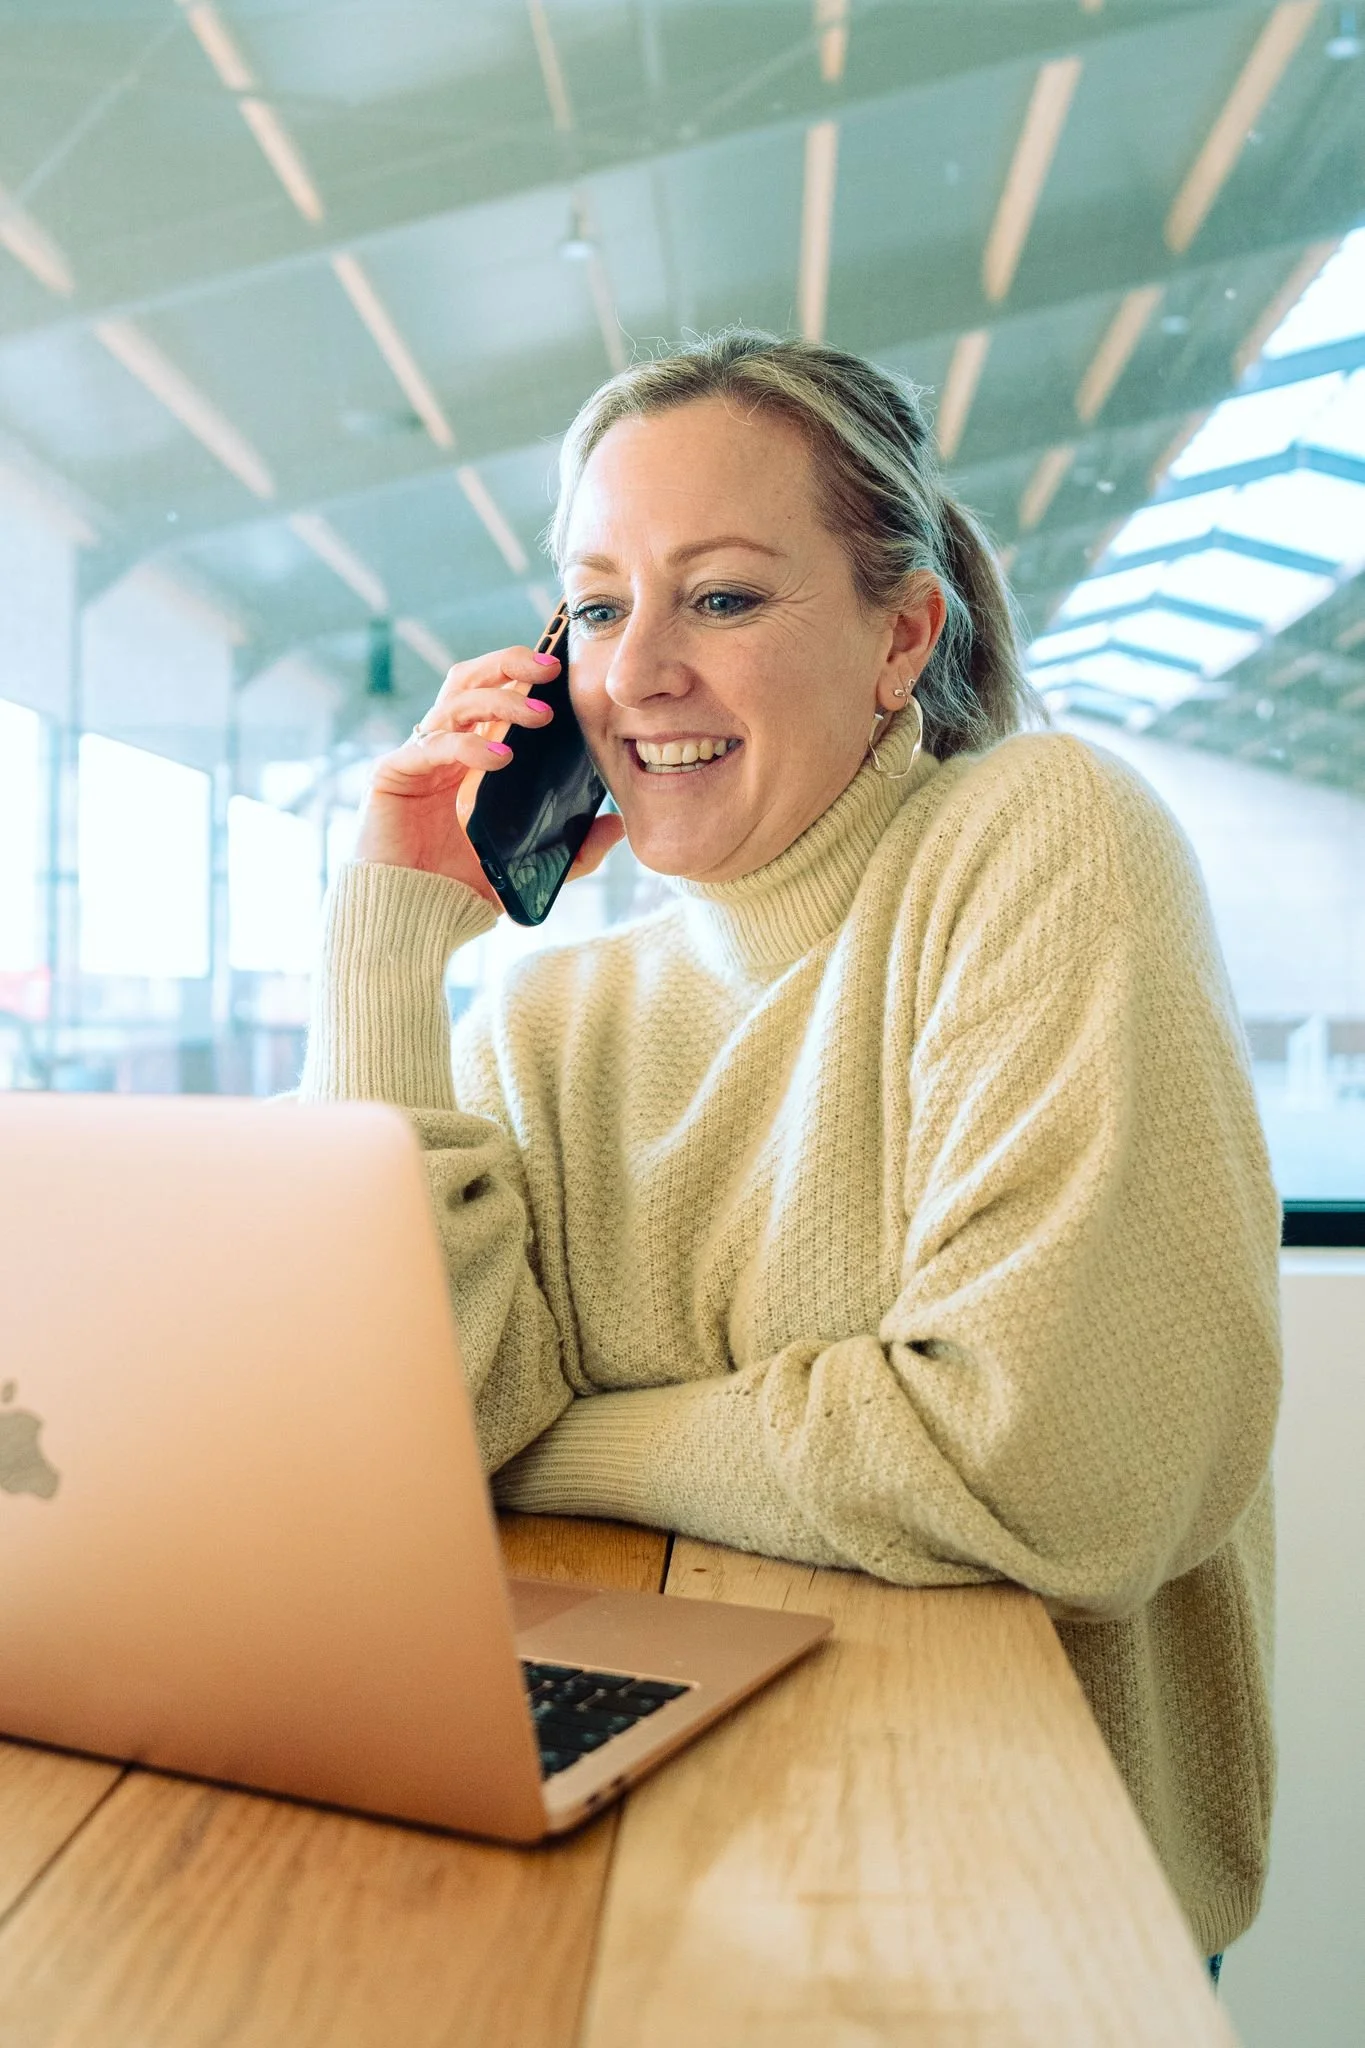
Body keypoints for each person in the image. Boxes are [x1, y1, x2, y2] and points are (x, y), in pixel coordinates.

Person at [300, 332, 1279, 1963]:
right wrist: (387, 956)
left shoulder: (1040, 843)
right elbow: (412, 1434)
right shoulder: (553, 1017)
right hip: (657, 1850)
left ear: (903, 633)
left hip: (1018, 1900)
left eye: (726, 598)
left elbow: (1047, 1470)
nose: (637, 672)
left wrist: (561, 1440)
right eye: (600, 606)